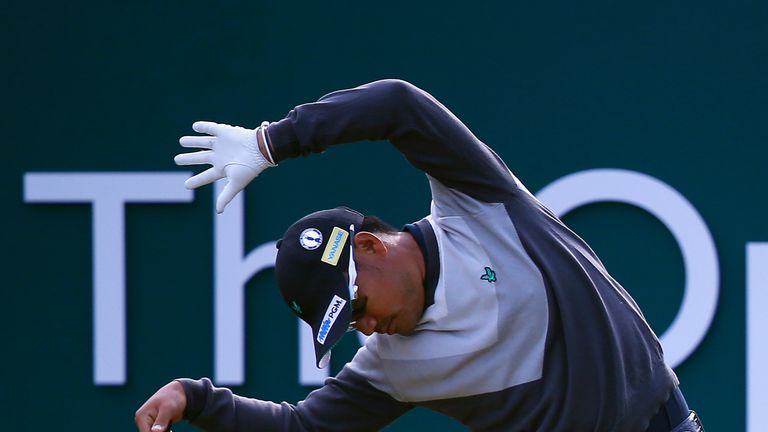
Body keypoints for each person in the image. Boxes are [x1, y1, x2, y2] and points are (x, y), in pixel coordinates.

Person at [135, 79, 705, 431]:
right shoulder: (389, 367)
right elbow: (303, 429)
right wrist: (198, 400)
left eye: (354, 306)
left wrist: (272, 142)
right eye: (347, 323)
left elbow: (397, 105)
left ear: (369, 245)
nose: (367, 327)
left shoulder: (476, 203)